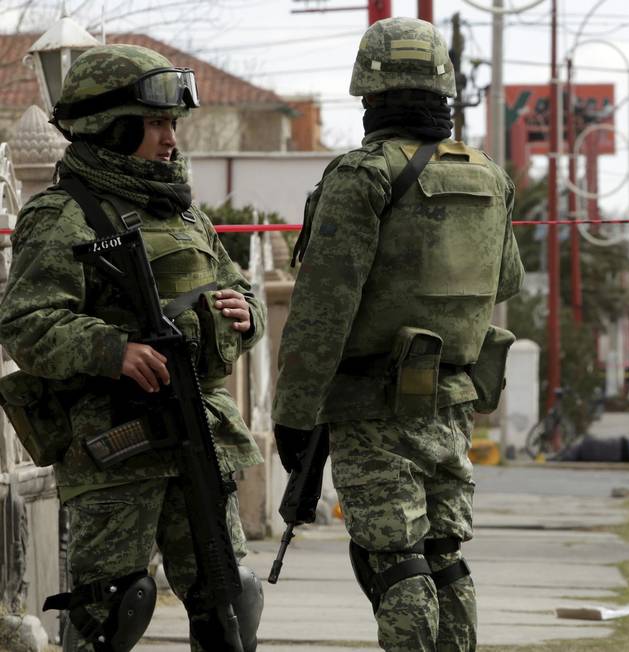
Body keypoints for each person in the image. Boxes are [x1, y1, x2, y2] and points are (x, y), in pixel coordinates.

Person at [0, 44, 266, 651]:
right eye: (156, 123)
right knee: (112, 609)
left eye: (173, 123)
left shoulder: (182, 212)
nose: (171, 139)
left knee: (229, 597)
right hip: (117, 445)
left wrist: (240, 314)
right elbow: (27, 323)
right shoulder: (62, 215)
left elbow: (233, 285)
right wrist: (113, 350)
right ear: (109, 125)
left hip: (198, 433)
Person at [271, 17, 523, 652]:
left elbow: (323, 310)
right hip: (452, 403)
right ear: (445, 89)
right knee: (444, 557)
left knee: (395, 562)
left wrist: (294, 415)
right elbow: (507, 281)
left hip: (370, 404)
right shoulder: (489, 176)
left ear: (367, 92)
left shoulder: (363, 175)